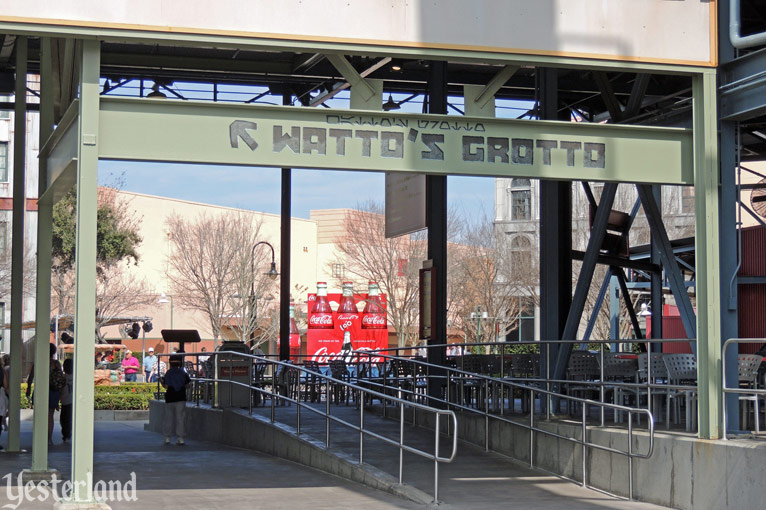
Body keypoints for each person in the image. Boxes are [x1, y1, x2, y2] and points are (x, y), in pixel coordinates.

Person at [25, 343, 65, 445]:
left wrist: (29, 388)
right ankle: (49, 439)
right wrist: (61, 394)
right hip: (53, 391)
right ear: (54, 352)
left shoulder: (38, 362)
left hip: (40, 390)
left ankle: (39, 437)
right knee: (50, 416)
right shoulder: (56, 364)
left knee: (39, 415)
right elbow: (61, 379)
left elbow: (31, 378)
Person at [161, 355, 190, 445]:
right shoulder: (183, 373)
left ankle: (167, 437)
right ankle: (180, 438)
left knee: (168, 418)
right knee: (180, 418)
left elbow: (166, 386)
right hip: (181, 397)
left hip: (170, 397)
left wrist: (161, 382)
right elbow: (188, 385)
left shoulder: (169, 373)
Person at [59, 358, 73, 443]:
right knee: (68, 420)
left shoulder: (63, 378)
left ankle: (66, 435)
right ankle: (68, 434)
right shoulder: (76, 377)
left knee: (64, 420)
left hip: (65, 402)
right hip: (72, 402)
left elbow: (60, 390)